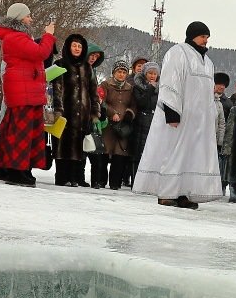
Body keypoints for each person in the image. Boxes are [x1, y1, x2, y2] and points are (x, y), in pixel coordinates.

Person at [133, 20, 222, 208]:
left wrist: (210, 115)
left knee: (193, 155)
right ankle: (167, 193)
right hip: (179, 116)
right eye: (202, 36)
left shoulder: (208, 62)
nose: (205, 40)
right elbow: (169, 83)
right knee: (173, 154)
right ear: (192, 36)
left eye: (207, 37)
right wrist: (172, 111)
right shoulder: (177, 53)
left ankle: (185, 193)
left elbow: (208, 92)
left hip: (198, 122)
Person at [0, 3, 55, 187]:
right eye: (28, 16)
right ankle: (17, 170)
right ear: (19, 18)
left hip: (24, 88)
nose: (30, 19)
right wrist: (49, 35)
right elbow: (41, 53)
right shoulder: (15, 37)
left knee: (12, 130)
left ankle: (1, 167)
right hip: (23, 90)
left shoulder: (16, 37)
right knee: (22, 132)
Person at [49, 34, 100, 187]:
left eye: (80, 46)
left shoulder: (87, 68)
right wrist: (57, 110)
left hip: (82, 114)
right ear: (68, 47)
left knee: (79, 146)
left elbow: (93, 92)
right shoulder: (59, 64)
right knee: (62, 146)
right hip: (64, 113)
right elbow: (54, 90)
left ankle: (76, 178)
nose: (77, 48)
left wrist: (94, 112)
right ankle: (62, 177)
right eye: (74, 45)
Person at [97, 58, 135, 189]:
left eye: (124, 72)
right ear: (114, 72)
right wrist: (111, 112)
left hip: (123, 126)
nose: (121, 74)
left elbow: (133, 105)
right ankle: (101, 181)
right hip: (108, 124)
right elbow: (101, 101)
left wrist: (129, 113)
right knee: (104, 152)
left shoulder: (130, 88)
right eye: (119, 71)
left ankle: (115, 183)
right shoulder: (106, 84)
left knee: (120, 154)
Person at [130, 60, 159, 182]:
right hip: (141, 121)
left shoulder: (161, 88)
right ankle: (135, 180)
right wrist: (150, 89)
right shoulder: (138, 86)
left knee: (152, 154)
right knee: (138, 153)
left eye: (155, 74)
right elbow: (141, 103)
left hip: (154, 122)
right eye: (150, 73)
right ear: (145, 74)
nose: (152, 76)